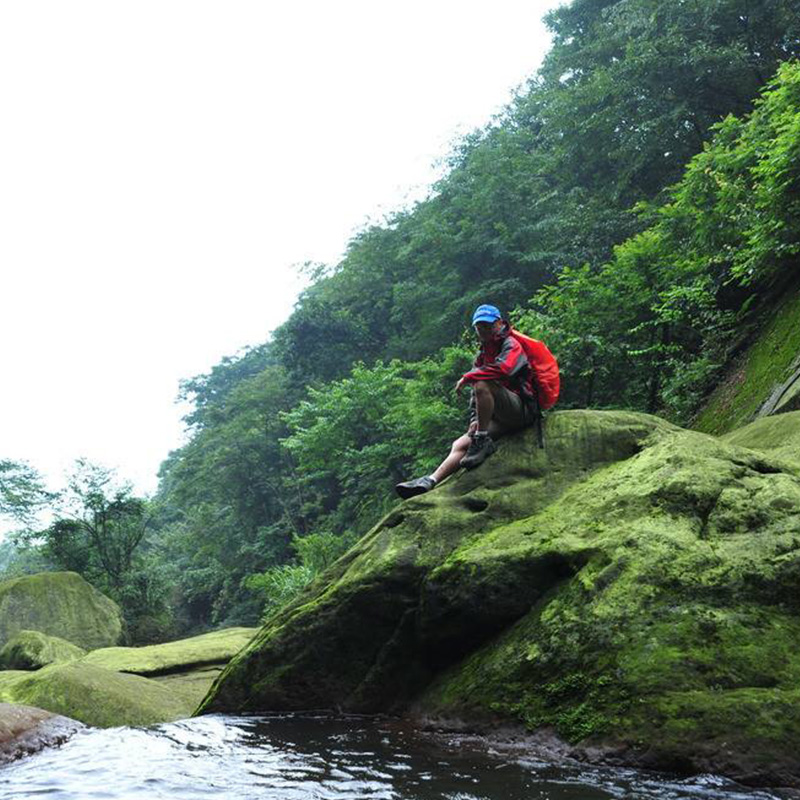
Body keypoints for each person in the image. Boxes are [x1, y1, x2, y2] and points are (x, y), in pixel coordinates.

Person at [395, 303, 540, 499]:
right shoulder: (482, 355)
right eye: (479, 327)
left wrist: (469, 376)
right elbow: (476, 396)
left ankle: (481, 438)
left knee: (480, 382)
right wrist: (475, 421)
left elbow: (504, 369)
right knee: (461, 444)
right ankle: (430, 481)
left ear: (499, 323)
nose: (482, 330)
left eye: (487, 326)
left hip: (522, 411)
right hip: (504, 417)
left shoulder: (511, 345)